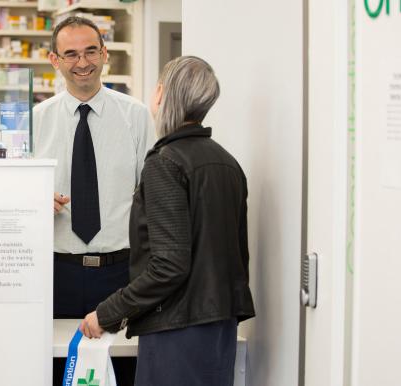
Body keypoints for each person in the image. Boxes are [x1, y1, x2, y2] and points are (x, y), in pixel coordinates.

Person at [79, 56, 256, 386]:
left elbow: (169, 265)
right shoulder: (226, 162)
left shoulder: (166, 164)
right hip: (219, 327)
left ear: (161, 93)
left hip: (178, 330)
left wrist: (107, 313)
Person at [32, 16, 155, 385]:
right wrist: (34, 200)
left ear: (105, 54)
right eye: (70, 54)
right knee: (56, 367)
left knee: (122, 367)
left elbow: (151, 195)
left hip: (120, 272)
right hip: (57, 272)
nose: (82, 62)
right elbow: (13, 200)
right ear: (54, 60)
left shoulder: (136, 116)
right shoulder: (35, 121)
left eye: (90, 51)